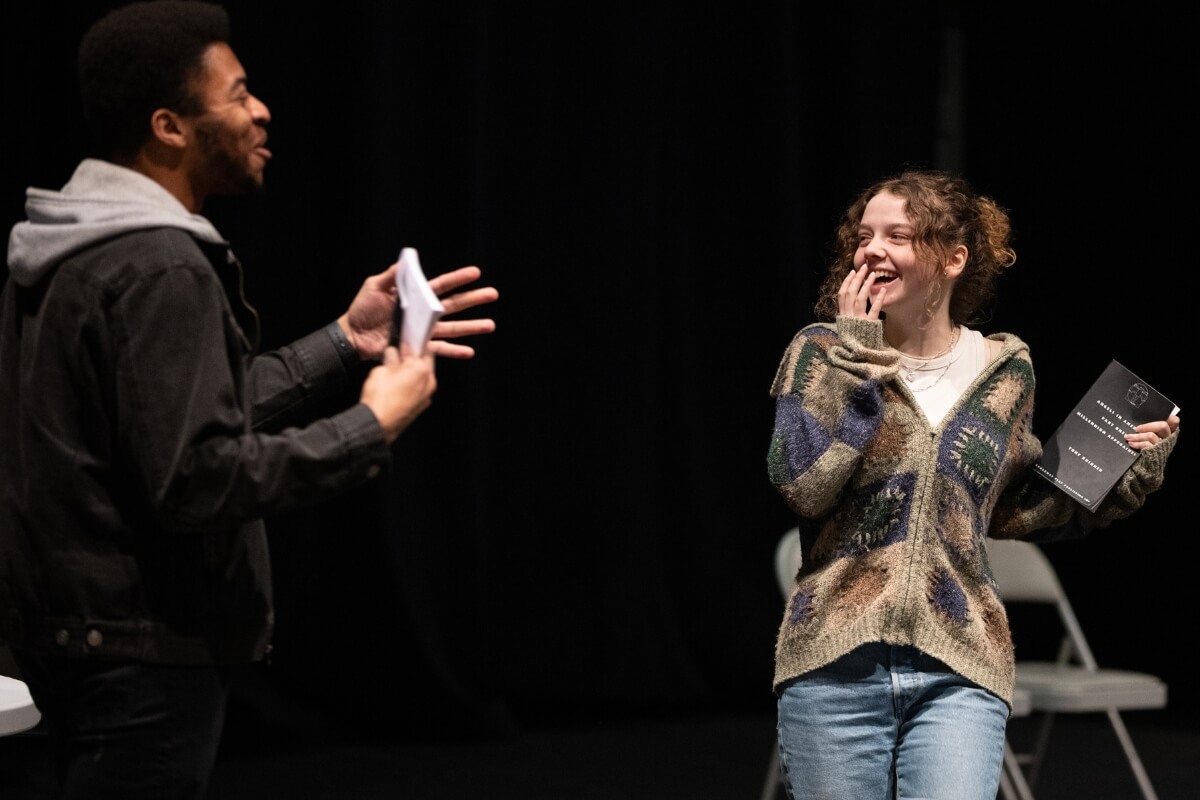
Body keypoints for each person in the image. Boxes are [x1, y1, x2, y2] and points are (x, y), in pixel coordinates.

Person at [0, 2, 498, 797]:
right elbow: (199, 476)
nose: (260, 110)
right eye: (237, 94)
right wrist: (374, 422)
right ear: (169, 127)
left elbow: (169, 419)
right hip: (139, 663)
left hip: (68, 646)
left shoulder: (71, 243)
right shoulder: (161, 266)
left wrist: (343, 341)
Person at [765, 169, 1179, 799]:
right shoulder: (821, 351)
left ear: (953, 259)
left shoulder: (1006, 370)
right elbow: (804, 486)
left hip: (960, 663)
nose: (871, 249)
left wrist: (1124, 468)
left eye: (898, 235)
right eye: (865, 234)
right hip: (834, 667)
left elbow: (1011, 512)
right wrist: (858, 359)